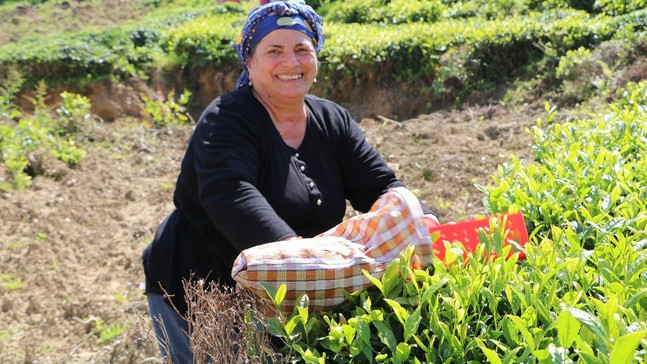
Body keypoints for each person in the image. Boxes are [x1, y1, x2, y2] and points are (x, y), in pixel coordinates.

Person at [141, 0, 438, 362]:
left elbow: (379, 185)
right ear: (249, 63)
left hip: (291, 291)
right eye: (274, 51)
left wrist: (420, 220)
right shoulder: (227, 118)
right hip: (200, 289)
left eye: (302, 49)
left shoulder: (331, 119)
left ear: (316, 57)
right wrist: (299, 257)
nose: (291, 62)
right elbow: (231, 193)